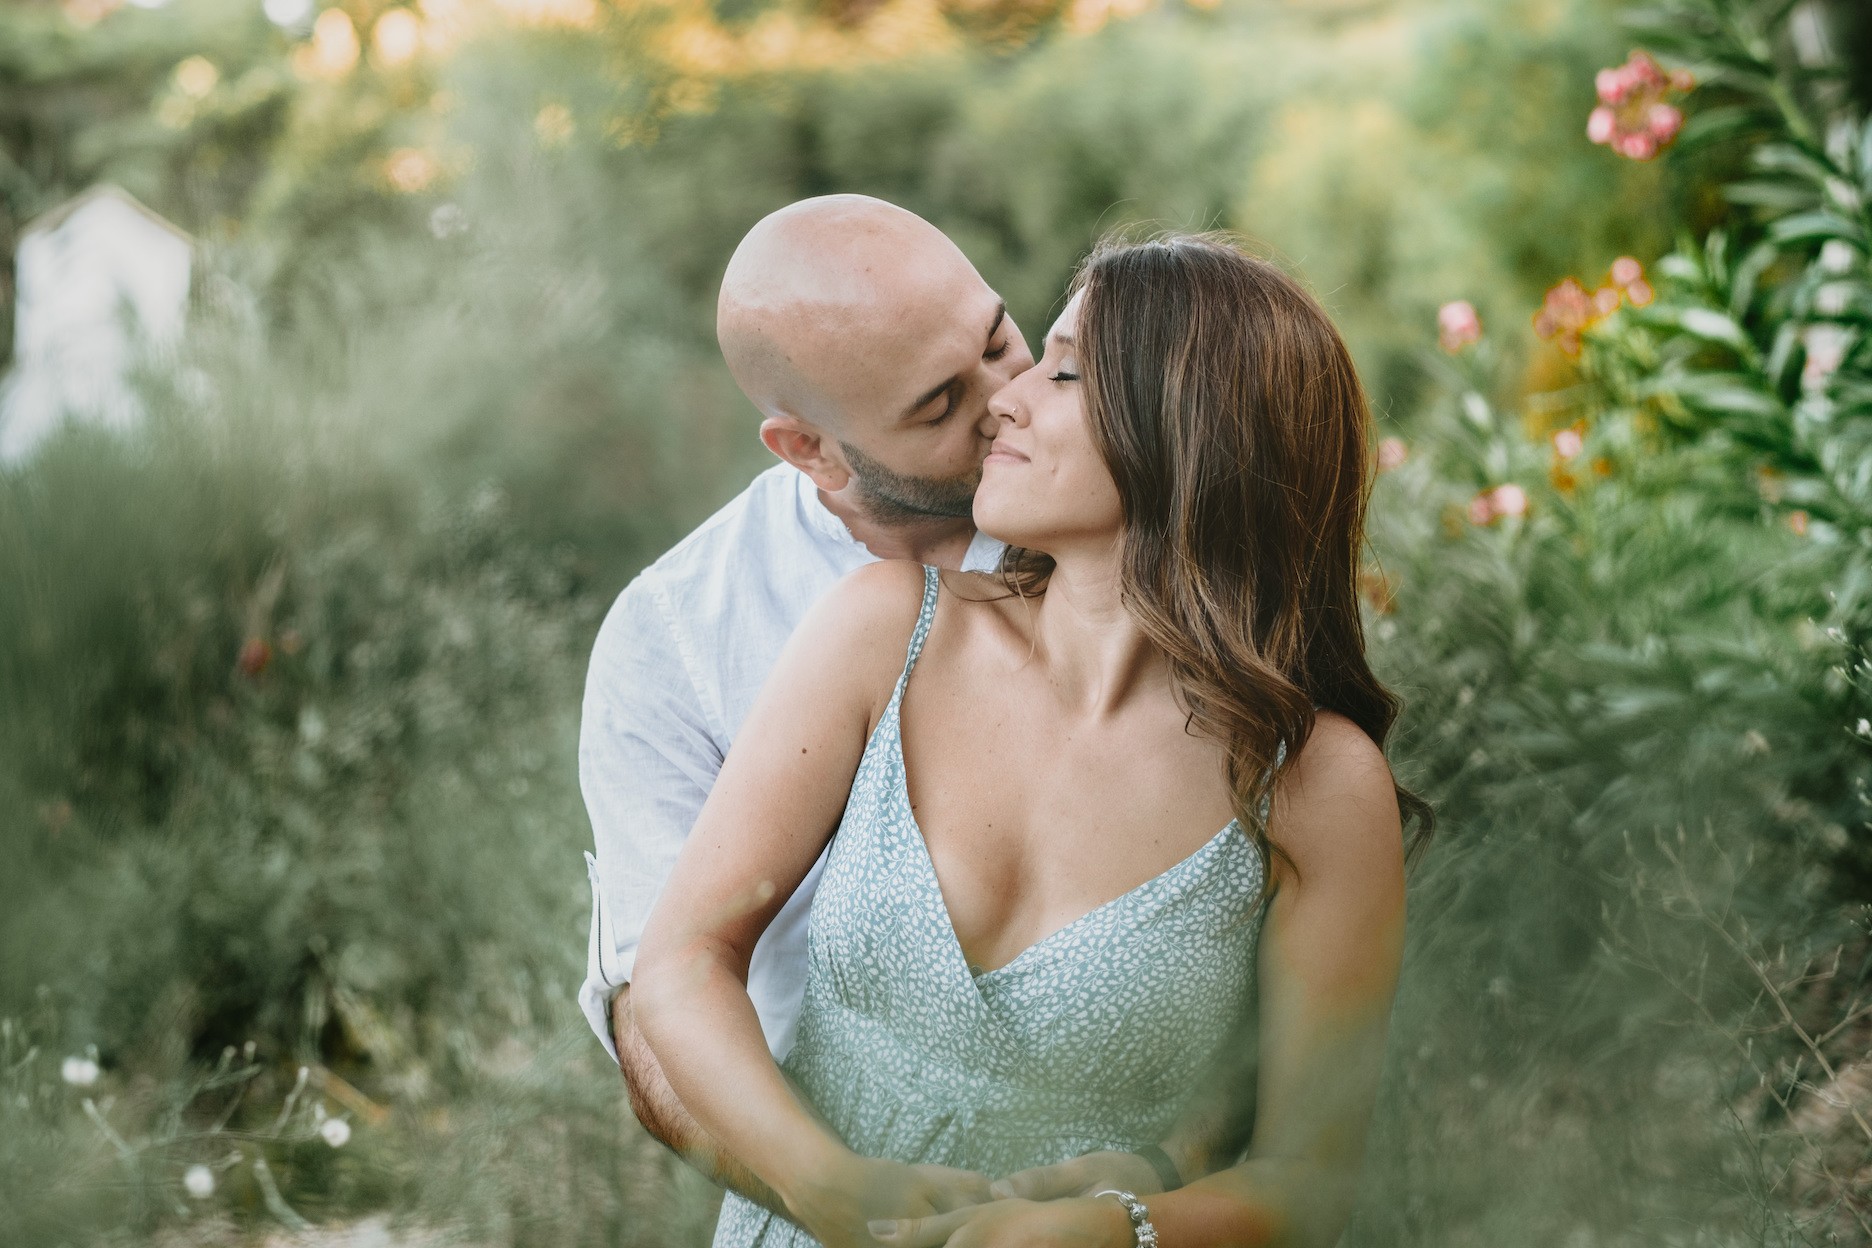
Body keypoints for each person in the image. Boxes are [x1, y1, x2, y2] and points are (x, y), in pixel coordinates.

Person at [632, 233, 1431, 1248]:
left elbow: (1310, 1184)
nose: (1004, 400)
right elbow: (682, 961)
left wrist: (1115, 1231)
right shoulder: (887, 631)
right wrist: (822, 1183)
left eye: (1064, 372)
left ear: (1191, 431)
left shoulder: (1317, 785)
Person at [580, 197, 1230, 1218]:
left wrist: (1150, 1184)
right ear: (811, 450)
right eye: (939, 407)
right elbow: (658, 1019)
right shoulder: (675, 639)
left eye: (1000, 340)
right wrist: (844, 1203)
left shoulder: (1120, 511)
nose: (1009, 401)